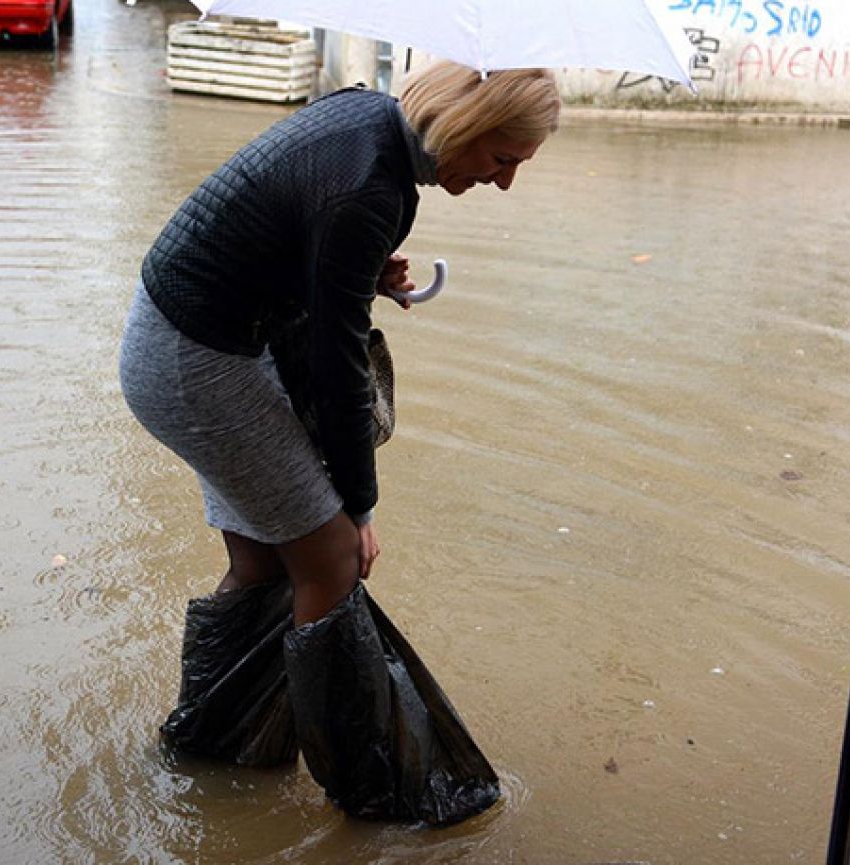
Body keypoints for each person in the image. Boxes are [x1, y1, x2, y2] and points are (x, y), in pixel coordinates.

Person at [120, 60, 561, 823]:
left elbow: (295, 233)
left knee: (265, 561)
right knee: (329, 555)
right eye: (501, 160)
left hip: (181, 336)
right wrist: (357, 507)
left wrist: (352, 273)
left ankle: (216, 745)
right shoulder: (370, 188)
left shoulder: (363, 118)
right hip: (196, 361)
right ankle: (372, 792)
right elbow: (336, 367)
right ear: (463, 128)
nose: (502, 183)